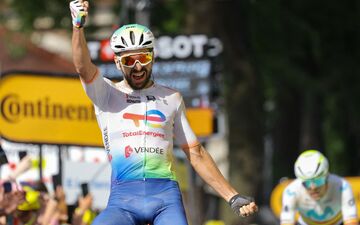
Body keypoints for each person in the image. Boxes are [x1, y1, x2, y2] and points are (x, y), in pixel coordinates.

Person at [69, 1, 258, 224]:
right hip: (123, 200)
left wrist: (232, 196)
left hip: (165, 199)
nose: (138, 66)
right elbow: (83, 67)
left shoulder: (171, 98)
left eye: (144, 58)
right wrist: (78, 26)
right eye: (130, 60)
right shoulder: (106, 94)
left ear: (153, 57)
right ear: (118, 63)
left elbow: (195, 153)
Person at [280, 150, 359, 225]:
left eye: (318, 181)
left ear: (327, 176)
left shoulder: (342, 186)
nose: (313, 187)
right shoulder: (291, 191)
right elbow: (287, 221)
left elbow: (351, 221)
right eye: (306, 182)